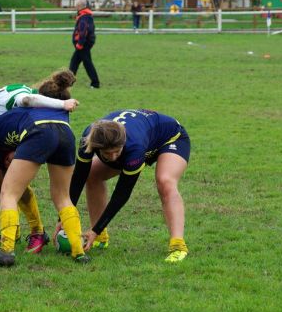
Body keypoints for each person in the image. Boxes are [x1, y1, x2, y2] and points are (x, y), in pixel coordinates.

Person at [0, 70, 90, 266]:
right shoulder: (60, 111)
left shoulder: (11, 115)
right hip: (66, 134)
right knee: (62, 196)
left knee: (9, 193)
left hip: (38, 131)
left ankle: (6, 250)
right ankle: (78, 251)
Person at [68, 109, 191, 263]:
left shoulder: (134, 146)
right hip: (141, 138)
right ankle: (101, 237)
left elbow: (122, 193)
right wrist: (64, 218)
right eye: (107, 154)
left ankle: (178, 246)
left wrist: (95, 229)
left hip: (171, 138)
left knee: (165, 181)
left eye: (116, 152)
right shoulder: (89, 139)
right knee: (92, 175)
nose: (113, 158)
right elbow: (79, 176)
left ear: (123, 144)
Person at [69, 0, 100, 89]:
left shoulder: (84, 17)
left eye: (76, 4)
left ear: (79, 6)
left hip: (83, 45)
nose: (75, 6)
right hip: (83, 44)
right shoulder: (85, 15)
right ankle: (69, 82)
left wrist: (79, 44)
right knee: (74, 62)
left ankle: (95, 83)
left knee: (86, 63)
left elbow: (83, 32)